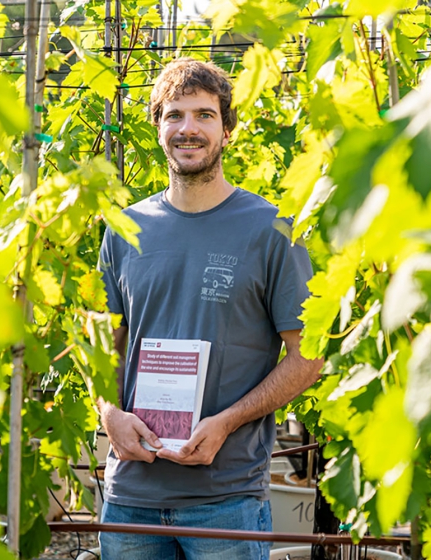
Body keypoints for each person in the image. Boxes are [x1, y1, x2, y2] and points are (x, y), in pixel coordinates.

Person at [96, 57, 322, 559]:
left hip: (226, 499)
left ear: (227, 130)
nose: (188, 129)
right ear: (158, 127)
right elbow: (101, 350)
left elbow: (308, 356)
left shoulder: (272, 230)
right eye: (174, 115)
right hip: (130, 498)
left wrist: (228, 421)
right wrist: (109, 412)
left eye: (204, 115)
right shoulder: (123, 230)